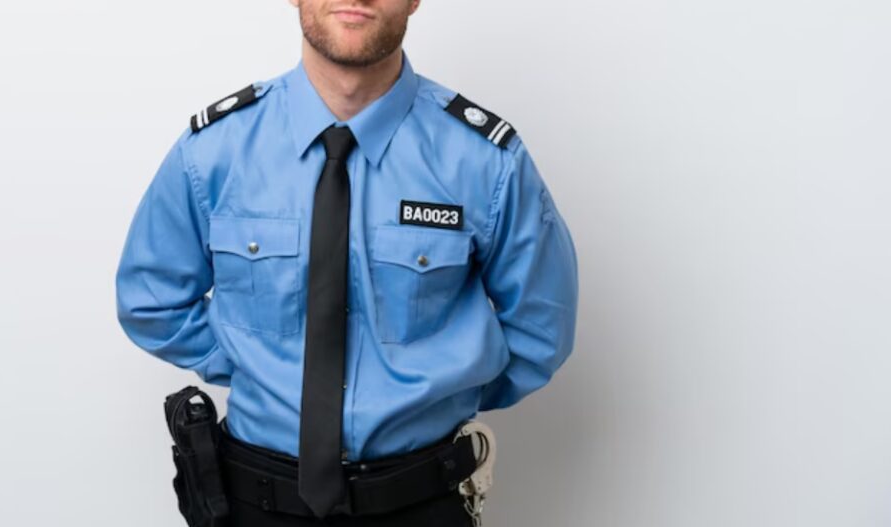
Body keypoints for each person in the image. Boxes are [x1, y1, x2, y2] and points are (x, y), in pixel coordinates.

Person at [115, 0, 579, 525]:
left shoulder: (484, 160)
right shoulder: (214, 151)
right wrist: (257, 369)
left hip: (422, 502)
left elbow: (542, 329)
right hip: (252, 504)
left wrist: (444, 390)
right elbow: (151, 300)